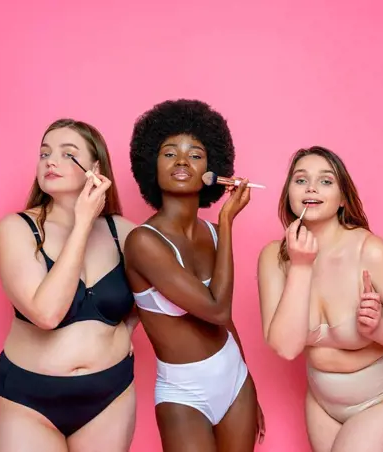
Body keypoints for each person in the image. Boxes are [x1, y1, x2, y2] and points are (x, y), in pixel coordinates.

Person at [124, 99, 265, 451]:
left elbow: (224, 324)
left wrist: (248, 382)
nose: (183, 161)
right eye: (169, 153)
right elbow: (217, 308)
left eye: (196, 154)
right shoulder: (143, 242)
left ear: (211, 169)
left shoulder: (215, 234)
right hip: (183, 391)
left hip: (235, 380)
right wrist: (230, 221)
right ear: (151, 166)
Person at [257, 146, 383, 452]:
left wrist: (377, 330)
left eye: (326, 181)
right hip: (322, 401)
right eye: (301, 180)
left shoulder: (369, 251)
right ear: (289, 194)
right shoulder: (274, 258)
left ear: (343, 198)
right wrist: (301, 266)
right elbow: (285, 346)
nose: (312, 188)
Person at [0, 119, 139, 452]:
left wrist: (127, 328)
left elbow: (159, 293)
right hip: (29, 400)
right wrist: (83, 222)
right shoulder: (17, 229)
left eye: (66, 153)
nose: (50, 161)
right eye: (44, 153)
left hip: (110, 395)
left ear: (95, 167)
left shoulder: (123, 233)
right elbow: (47, 313)